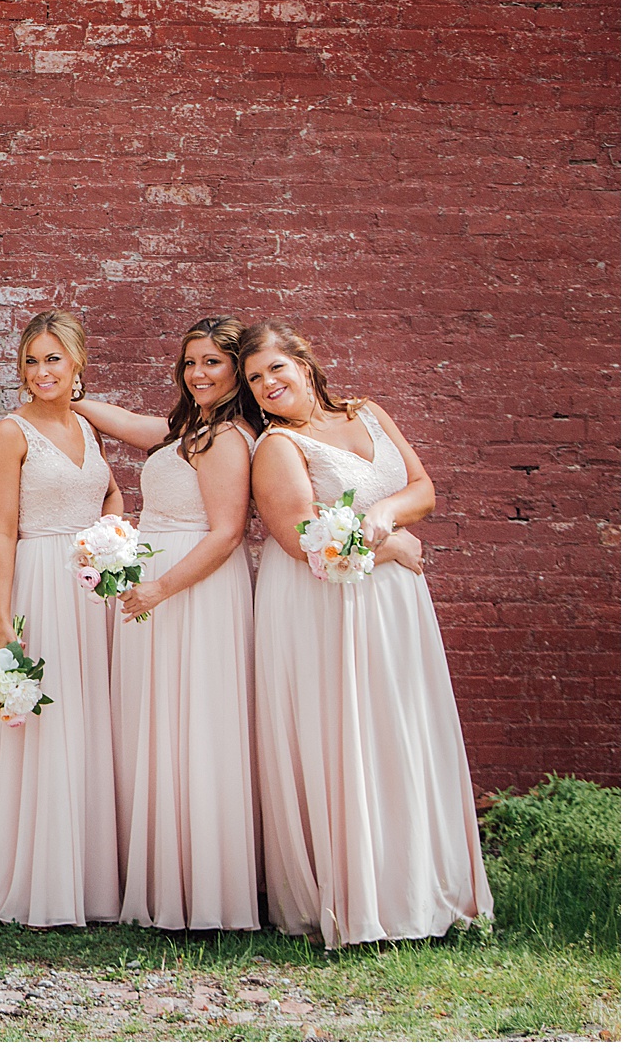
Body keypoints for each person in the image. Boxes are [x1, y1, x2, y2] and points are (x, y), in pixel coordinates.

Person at [241, 319, 493, 947]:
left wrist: (382, 517)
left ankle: (418, 884)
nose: (268, 384)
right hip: (323, 605)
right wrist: (389, 548)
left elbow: (423, 490)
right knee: (347, 733)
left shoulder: (368, 412)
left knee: (400, 730)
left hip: (392, 604)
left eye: (276, 368)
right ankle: (359, 894)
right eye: (253, 379)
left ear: (304, 362)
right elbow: (302, 542)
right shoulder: (278, 446)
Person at [74, 316, 261, 931]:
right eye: (189, 363)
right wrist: (68, 396)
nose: (198, 373)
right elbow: (131, 425)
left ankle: (201, 890)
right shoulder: (188, 431)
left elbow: (229, 532)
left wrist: (159, 587)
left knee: (193, 726)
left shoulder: (229, 438)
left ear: (237, 370)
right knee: (156, 724)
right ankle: (159, 877)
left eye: (212, 362)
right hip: (156, 586)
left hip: (194, 589)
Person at [0, 310, 121, 928]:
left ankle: (91, 877)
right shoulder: (12, 433)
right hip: (39, 579)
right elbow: (1, 529)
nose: (41, 372)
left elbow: (108, 491)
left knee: (90, 720)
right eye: (31, 361)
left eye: (53, 358)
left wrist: (112, 536)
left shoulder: (90, 426)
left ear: (78, 361)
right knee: (49, 719)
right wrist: (5, 618)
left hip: (89, 586)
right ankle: (40, 877)